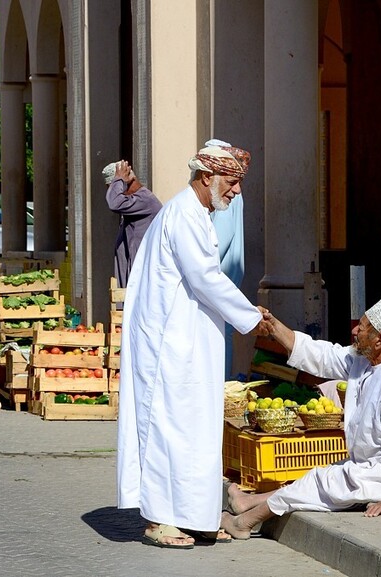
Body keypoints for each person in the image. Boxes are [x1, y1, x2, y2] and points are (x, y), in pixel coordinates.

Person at [117, 143, 271, 549]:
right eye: (232, 182)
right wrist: (254, 318)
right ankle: (159, 519)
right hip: (169, 346)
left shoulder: (197, 214)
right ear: (207, 177)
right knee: (170, 430)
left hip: (190, 343)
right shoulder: (185, 213)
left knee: (197, 430)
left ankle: (197, 516)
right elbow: (206, 277)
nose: (237, 191)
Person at [220, 297, 381, 539]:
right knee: (320, 477)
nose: (355, 330)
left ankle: (243, 522)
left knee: (320, 482)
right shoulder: (367, 360)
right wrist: (274, 326)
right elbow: (324, 355)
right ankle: (248, 502)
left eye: (362, 327)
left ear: (380, 340)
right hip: (380, 466)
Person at [205, 139, 247, 378]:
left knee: (221, 333)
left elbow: (221, 237)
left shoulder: (226, 193)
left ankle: (221, 385)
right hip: (221, 274)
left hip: (221, 273)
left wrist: (201, 263)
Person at [103, 160, 162, 288]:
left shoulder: (145, 201)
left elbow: (114, 203)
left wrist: (118, 179)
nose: (113, 192)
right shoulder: (132, 206)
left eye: (114, 188)